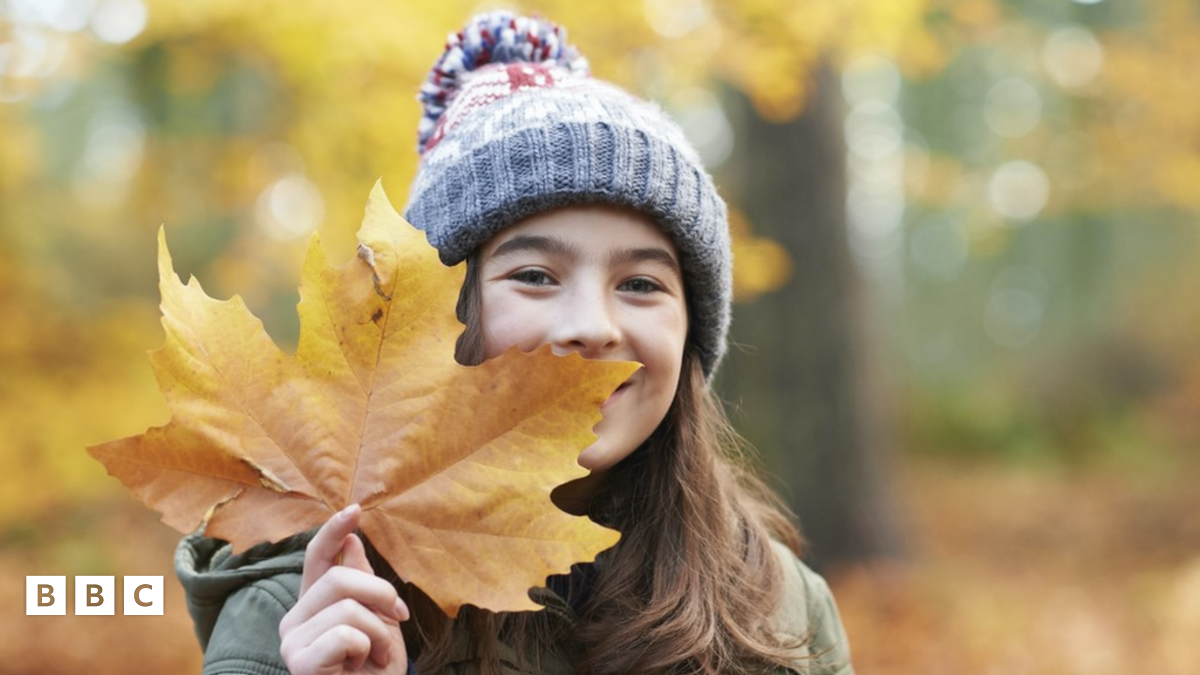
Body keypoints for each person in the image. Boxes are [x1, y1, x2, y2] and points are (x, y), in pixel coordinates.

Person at [175, 10, 855, 675]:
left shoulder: (778, 609)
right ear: (443, 315)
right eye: (534, 276)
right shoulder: (311, 608)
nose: (592, 325)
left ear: (690, 335)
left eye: (641, 284)